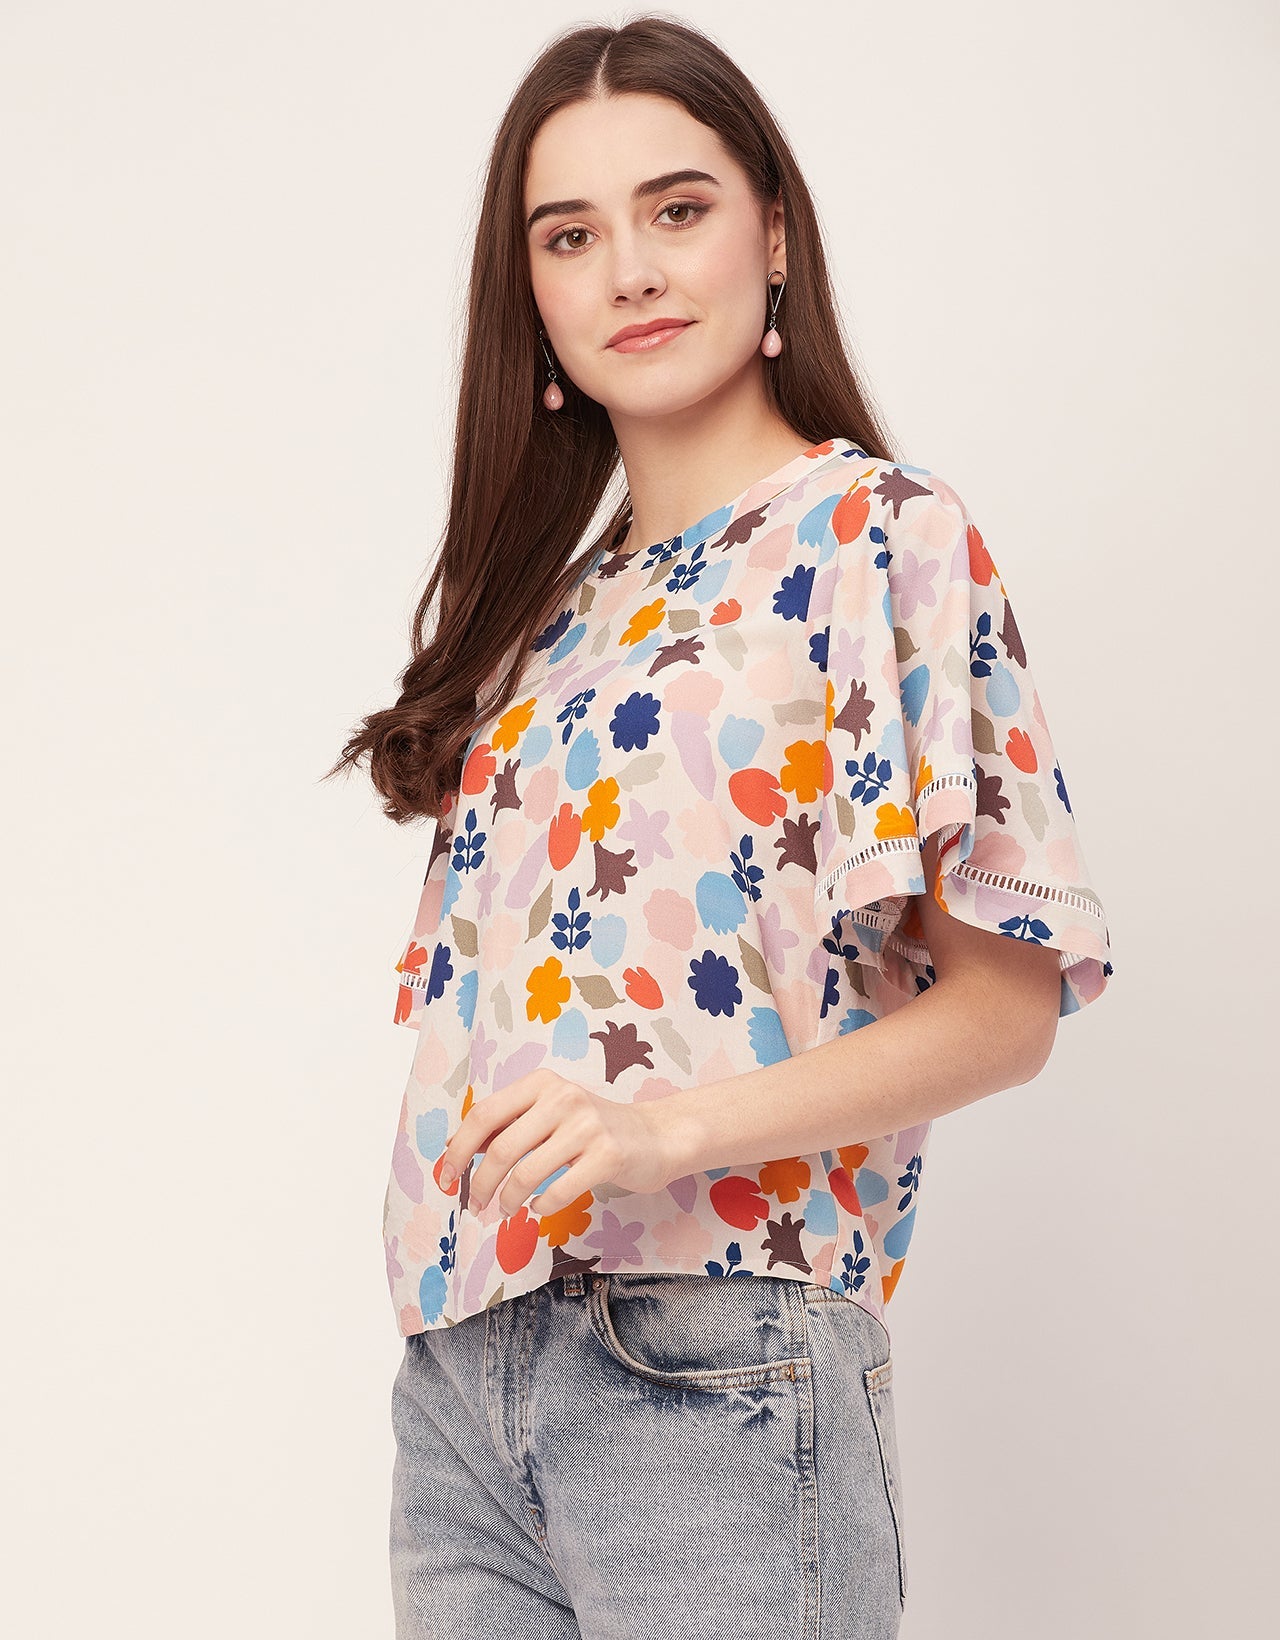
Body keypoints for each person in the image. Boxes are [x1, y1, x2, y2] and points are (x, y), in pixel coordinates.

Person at [328, 15, 1114, 1638]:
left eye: (676, 209)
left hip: (717, 1354)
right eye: (570, 235)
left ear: (773, 237)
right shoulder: (544, 626)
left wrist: (663, 1136)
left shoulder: (879, 537)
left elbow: (1008, 1005)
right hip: (463, 1378)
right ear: (532, 298)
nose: (630, 268)